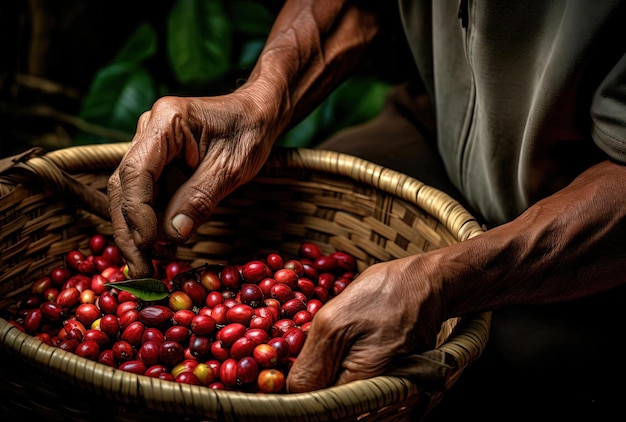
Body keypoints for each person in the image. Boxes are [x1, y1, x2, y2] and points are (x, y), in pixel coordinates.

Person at [107, 1, 626, 419]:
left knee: (511, 376)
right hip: (439, 129)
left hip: (589, 209)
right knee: (284, 204)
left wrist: (441, 279)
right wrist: (264, 96)